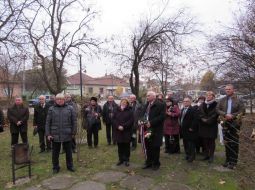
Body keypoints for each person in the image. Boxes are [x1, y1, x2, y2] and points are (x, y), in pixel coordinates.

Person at [45, 93, 77, 174]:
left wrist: (73, 132)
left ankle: (70, 166)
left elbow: (74, 121)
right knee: (55, 153)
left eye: (61, 99)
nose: (60, 101)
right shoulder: (51, 109)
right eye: (58, 99)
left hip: (67, 133)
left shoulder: (70, 108)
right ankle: (55, 167)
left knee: (69, 152)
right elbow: (48, 122)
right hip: (55, 134)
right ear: (55, 100)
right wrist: (48, 134)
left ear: (64, 100)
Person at [216, 84, 245, 169]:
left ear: (233, 90)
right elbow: (217, 109)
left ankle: (233, 162)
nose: (227, 90)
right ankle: (227, 160)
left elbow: (242, 110)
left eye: (229, 89)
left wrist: (232, 115)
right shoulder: (222, 100)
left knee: (234, 143)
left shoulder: (238, 100)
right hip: (225, 123)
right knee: (227, 142)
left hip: (235, 123)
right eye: (226, 89)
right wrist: (225, 114)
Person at [141, 91, 165, 170]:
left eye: (148, 96)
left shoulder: (160, 105)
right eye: (146, 96)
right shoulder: (147, 104)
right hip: (147, 130)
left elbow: (162, 117)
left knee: (155, 147)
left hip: (156, 130)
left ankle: (156, 164)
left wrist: (151, 123)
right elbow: (143, 114)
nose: (147, 97)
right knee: (148, 146)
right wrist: (141, 121)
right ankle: (149, 162)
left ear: (154, 96)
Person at [198, 91, 218, 163]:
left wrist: (208, 120)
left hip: (212, 125)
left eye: (210, 95)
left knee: (211, 141)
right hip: (203, 125)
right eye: (207, 95)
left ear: (213, 96)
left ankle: (211, 156)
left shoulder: (216, 104)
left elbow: (216, 114)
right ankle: (206, 155)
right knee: (205, 141)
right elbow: (199, 112)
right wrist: (203, 119)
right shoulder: (202, 104)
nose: (208, 96)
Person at [113, 99, 134, 166]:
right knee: (120, 146)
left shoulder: (130, 111)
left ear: (127, 103)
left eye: (125, 102)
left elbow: (131, 120)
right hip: (118, 131)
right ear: (120, 103)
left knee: (126, 146)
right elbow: (113, 119)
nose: (123, 103)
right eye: (122, 102)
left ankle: (127, 159)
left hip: (126, 131)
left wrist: (123, 126)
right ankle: (121, 159)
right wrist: (118, 126)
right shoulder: (116, 110)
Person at [180, 97, 198, 163]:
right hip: (183, 129)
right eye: (184, 101)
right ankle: (187, 154)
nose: (185, 102)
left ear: (190, 102)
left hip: (190, 130)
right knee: (185, 143)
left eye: (187, 101)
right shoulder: (182, 109)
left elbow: (195, 119)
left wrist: (192, 127)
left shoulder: (193, 109)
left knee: (191, 144)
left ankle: (192, 156)